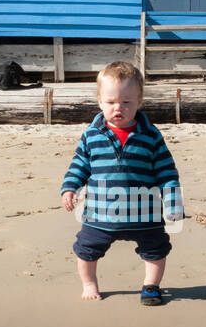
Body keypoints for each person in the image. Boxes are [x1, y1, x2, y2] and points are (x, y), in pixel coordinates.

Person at [60, 62, 183, 305]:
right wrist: (69, 187)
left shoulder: (151, 136)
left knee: (157, 250)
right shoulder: (92, 135)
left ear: (139, 101)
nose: (119, 108)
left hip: (145, 213)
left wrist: (173, 203)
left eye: (126, 102)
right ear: (99, 102)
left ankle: (151, 286)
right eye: (111, 102)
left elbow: (167, 172)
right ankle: (89, 283)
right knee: (85, 250)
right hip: (101, 214)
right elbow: (79, 164)